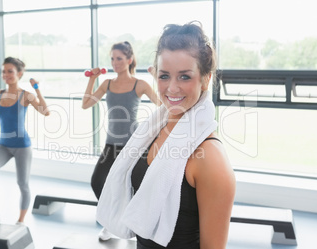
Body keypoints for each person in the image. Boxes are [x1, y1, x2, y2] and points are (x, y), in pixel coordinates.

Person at [96, 22, 235, 249]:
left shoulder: (210, 158)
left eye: (184, 77)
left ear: (206, 79)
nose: (171, 88)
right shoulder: (153, 131)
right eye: (164, 76)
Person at [82, 41, 161, 240]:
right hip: (111, 143)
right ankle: (112, 222)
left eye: (119, 58)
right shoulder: (107, 83)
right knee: (97, 181)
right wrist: (92, 79)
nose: (115, 63)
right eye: (112, 59)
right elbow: (86, 104)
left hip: (132, 144)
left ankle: (133, 224)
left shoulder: (139, 84)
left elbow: (162, 104)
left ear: (129, 59)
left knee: (135, 185)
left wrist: (156, 77)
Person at [0, 57, 50, 230]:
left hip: (22, 146)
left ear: (19, 74)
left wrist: (37, 89)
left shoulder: (26, 95)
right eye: (4, 71)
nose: (6, 74)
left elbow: (46, 112)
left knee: (22, 183)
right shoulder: (0, 94)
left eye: (10, 71)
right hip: (4, 145)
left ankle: (21, 221)